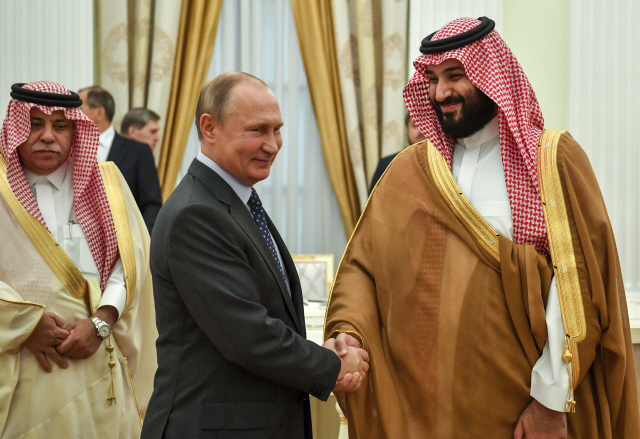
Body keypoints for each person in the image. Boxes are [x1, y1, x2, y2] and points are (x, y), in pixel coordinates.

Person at [325, 16, 640, 438]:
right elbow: (366, 266)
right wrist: (350, 333)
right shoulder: (412, 171)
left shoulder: (552, 160)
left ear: (491, 75)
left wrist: (549, 401)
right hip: (426, 408)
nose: (440, 92)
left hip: (521, 412)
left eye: (455, 76)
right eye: (433, 79)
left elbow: (578, 282)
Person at [141, 72, 369, 439]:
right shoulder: (196, 214)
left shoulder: (233, 200)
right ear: (209, 127)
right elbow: (248, 336)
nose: (273, 144)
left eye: (277, 129)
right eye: (257, 130)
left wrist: (323, 352)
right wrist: (331, 366)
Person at [0, 81, 157, 438]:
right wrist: (24, 324)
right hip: (23, 367)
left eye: (60, 125)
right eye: (34, 124)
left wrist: (102, 321)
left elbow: (129, 264)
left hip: (99, 361)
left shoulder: (107, 184)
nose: (46, 137)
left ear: (77, 130)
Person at [78, 86, 162, 233]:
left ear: (99, 112)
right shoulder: (72, 149)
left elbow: (151, 204)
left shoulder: (138, 151)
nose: (74, 113)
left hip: (126, 243)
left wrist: (143, 243)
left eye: (80, 108)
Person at [368, 113, 426, 193]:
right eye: (415, 126)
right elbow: (374, 202)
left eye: (425, 125)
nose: (420, 131)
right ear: (407, 130)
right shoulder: (388, 164)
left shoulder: (444, 163)